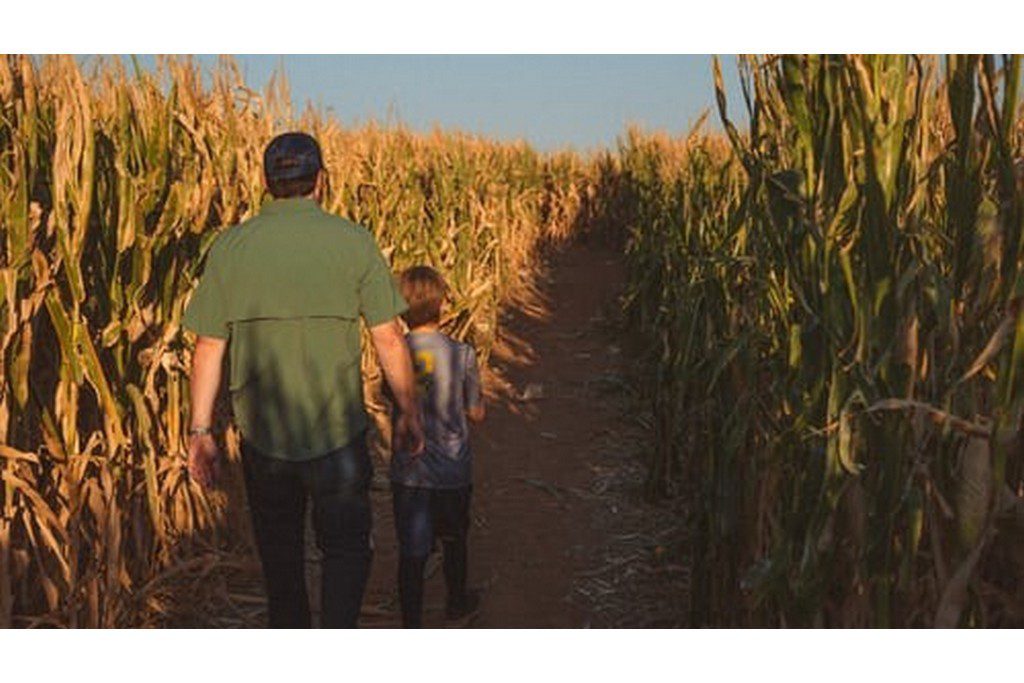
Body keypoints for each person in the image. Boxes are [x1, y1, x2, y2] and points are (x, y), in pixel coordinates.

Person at [181, 131, 424, 628]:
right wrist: (408, 412)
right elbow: (391, 340)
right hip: (337, 436)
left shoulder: (231, 247)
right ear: (321, 180)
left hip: (264, 441)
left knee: (280, 556)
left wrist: (200, 432)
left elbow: (208, 346)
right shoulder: (353, 241)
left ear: (267, 182)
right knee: (346, 547)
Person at [390, 266, 485, 627]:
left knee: (412, 550)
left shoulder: (393, 355)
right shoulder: (462, 354)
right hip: (452, 468)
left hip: (409, 470)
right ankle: (457, 603)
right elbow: (476, 412)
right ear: (443, 305)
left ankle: (411, 620)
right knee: (455, 538)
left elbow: (392, 400)